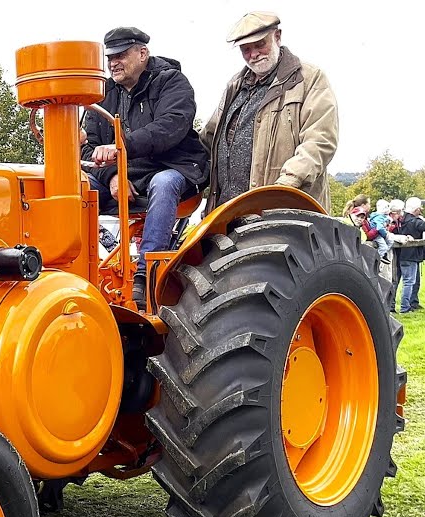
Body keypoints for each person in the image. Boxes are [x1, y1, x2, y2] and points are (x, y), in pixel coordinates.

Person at [83, 26, 208, 309]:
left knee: (163, 184)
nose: (113, 62)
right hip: (123, 174)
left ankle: (146, 276)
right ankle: (78, 267)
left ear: (142, 53)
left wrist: (121, 148)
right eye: (109, 57)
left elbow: (170, 128)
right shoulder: (102, 95)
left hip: (173, 165)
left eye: (121, 55)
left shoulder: (172, 82)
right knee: (77, 184)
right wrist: (114, 175)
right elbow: (89, 147)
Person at [201, 11, 338, 212]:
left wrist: (284, 187)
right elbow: (208, 140)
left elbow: (320, 141)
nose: (253, 54)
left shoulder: (310, 79)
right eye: (245, 49)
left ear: (277, 36)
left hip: (284, 214)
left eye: (259, 45)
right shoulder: (234, 86)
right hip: (226, 214)